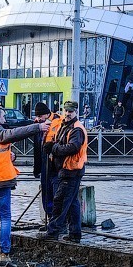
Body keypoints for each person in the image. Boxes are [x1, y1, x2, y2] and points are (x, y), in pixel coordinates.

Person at [0, 106, 49, 265]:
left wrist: (9, 156)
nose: (5, 120)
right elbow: (12, 134)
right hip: (0, 181)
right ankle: (4, 253)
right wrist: (37, 127)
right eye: (3, 116)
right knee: (5, 218)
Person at [44, 101, 87, 242]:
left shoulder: (76, 129)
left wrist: (54, 148)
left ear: (75, 112)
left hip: (71, 170)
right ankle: (75, 234)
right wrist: (52, 145)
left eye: (70, 111)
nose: (68, 114)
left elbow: (73, 147)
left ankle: (53, 232)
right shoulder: (65, 125)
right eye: (66, 111)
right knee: (72, 202)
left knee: (60, 201)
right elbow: (61, 142)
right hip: (67, 169)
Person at [33, 102, 61, 231]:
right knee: (46, 193)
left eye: (40, 116)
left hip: (55, 164)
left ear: (46, 114)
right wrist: (37, 168)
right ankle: (50, 221)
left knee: (55, 194)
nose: (38, 119)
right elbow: (37, 149)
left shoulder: (58, 122)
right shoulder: (39, 125)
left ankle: (57, 223)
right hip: (45, 163)